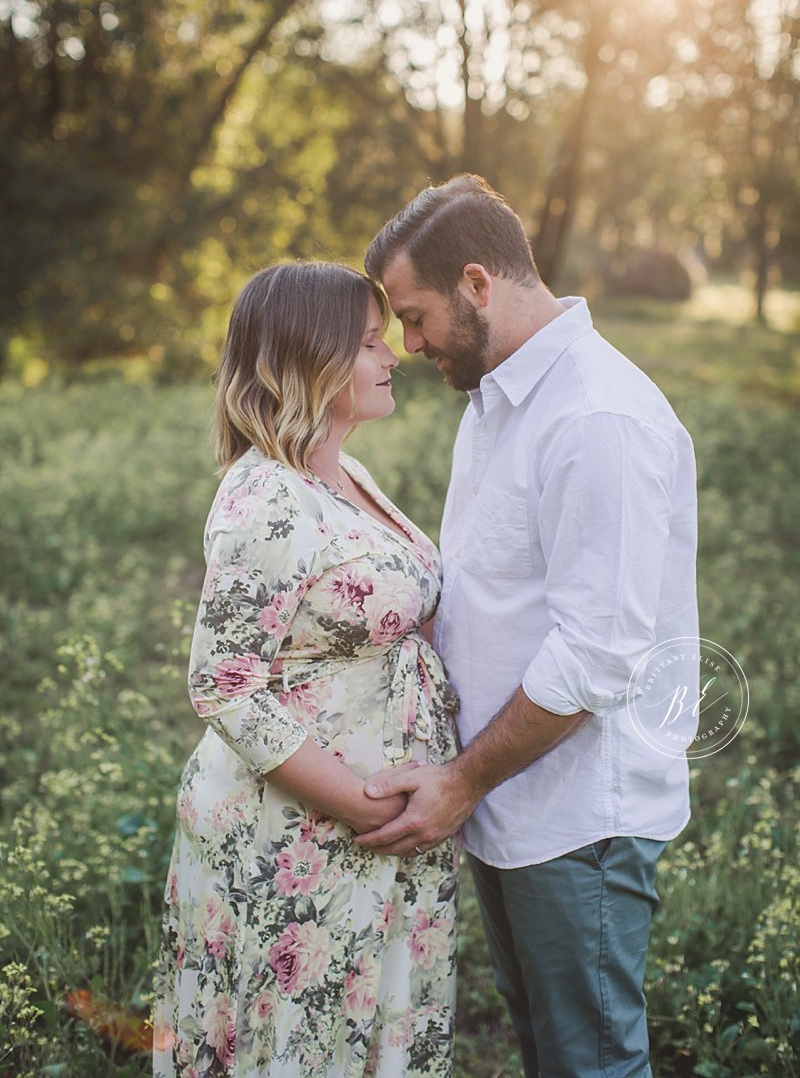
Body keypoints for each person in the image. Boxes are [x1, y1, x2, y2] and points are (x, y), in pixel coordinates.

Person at [358, 176, 698, 1078]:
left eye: (415, 315)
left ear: (477, 283)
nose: (409, 342)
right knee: (547, 1047)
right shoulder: (496, 399)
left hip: (576, 814)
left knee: (590, 1060)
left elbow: (596, 658)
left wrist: (462, 782)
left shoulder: (596, 417)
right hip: (507, 794)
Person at [153, 261, 459, 1078]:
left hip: (369, 831)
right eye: (368, 341)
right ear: (308, 359)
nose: (393, 354)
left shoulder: (343, 472)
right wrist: (368, 808)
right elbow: (223, 683)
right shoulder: (267, 498)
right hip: (299, 833)